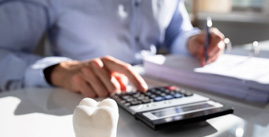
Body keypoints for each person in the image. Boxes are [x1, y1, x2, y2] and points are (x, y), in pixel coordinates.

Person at [0, 0, 225, 98]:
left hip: (159, 95)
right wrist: (58, 70)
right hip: (81, 100)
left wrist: (192, 42)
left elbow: (175, 33)